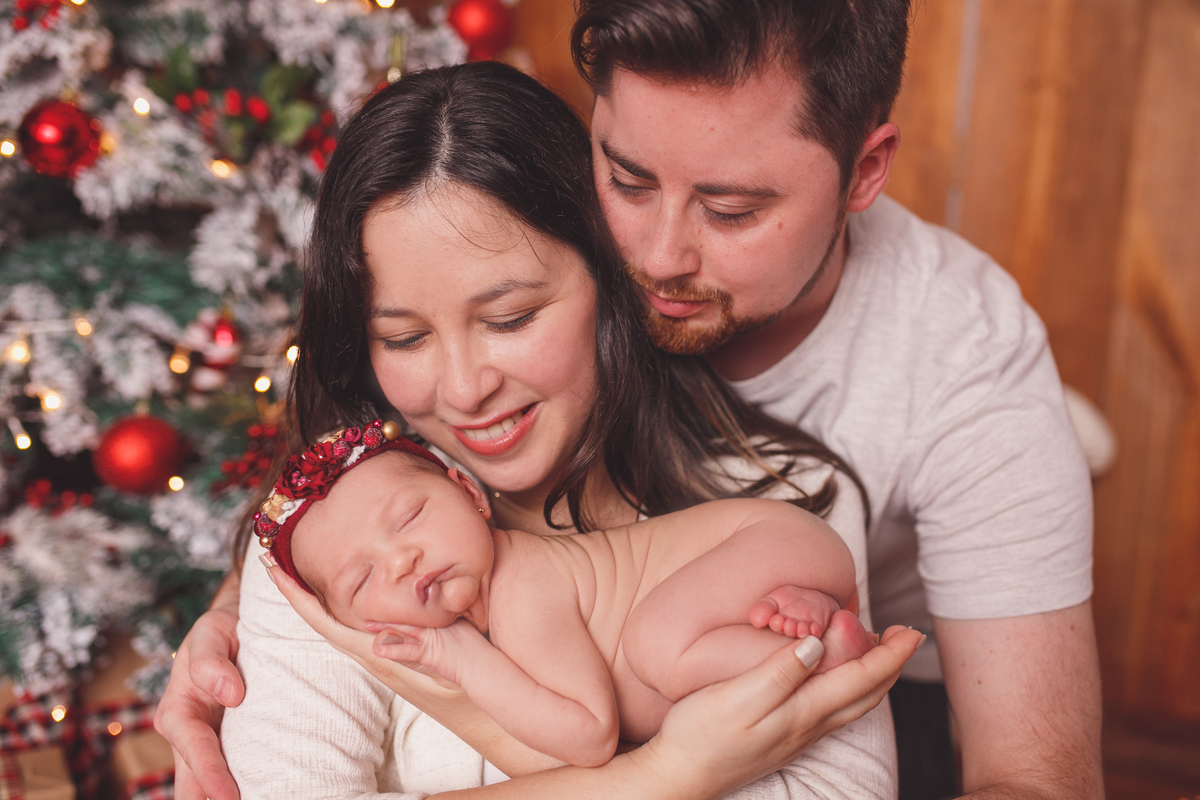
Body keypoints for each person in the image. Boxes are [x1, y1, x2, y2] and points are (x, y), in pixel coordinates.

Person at [164, 63, 921, 800]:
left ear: (608, 278)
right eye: (403, 338)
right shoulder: (337, 541)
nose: (465, 389)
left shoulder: (782, 499)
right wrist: (667, 777)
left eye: (511, 318)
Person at [570, 1, 1103, 797]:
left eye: (732, 210)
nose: (660, 256)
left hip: (866, 684)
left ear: (865, 171)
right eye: (628, 180)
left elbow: (1037, 778)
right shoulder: (538, 238)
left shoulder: (966, 347)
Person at [256, 423, 876, 767]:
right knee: (668, 655)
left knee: (656, 644)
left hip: (766, 536)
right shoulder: (492, 611)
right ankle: (801, 617)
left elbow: (590, 737)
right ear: (352, 623)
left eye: (411, 517)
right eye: (362, 580)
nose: (400, 560)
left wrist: (460, 661)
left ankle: (824, 655)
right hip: (766, 571)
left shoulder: (522, 583)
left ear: (468, 493)